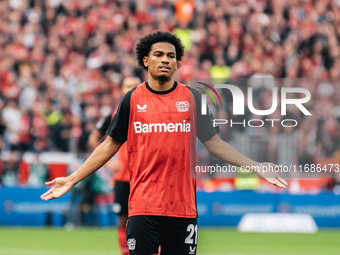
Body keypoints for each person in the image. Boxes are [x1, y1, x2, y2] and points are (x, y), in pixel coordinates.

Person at [41, 31, 287, 255]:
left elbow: (215, 144)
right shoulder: (132, 99)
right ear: (146, 60)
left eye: (171, 56)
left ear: (178, 64)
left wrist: (255, 165)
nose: (165, 59)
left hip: (182, 209)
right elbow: (108, 146)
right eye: (158, 54)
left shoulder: (193, 98)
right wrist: (72, 179)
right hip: (143, 207)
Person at [88, 77, 140, 255]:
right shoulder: (114, 113)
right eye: (127, 86)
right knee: (122, 219)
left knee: (147, 219)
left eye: (134, 86)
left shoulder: (149, 111)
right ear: (120, 90)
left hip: (144, 176)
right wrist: (108, 163)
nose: (131, 89)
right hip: (123, 176)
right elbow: (93, 138)